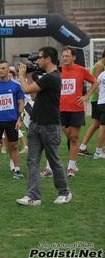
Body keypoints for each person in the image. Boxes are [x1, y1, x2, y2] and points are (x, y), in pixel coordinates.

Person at [16, 46, 71, 206]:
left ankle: (65, 192)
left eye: (39, 57)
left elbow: (25, 90)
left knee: (53, 160)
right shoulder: (47, 77)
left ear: (48, 59)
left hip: (50, 126)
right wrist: (29, 76)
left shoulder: (52, 77)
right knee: (32, 161)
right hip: (36, 124)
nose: (37, 60)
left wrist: (21, 75)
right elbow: (33, 94)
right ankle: (33, 196)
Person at [40, 46, 99, 177]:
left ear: (74, 57)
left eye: (67, 56)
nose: (65, 58)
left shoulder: (81, 70)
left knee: (74, 138)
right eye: (63, 56)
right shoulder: (57, 71)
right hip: (59, 110)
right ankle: (49, 167)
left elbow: (95, 81)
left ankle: (71, 167)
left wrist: (87, 95)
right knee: (54, 138)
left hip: (76, 109)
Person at [0, 60, 25, 180]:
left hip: (12, 120)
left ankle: (17, 169)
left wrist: (20, 120)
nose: (1, 71)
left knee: (14, 145)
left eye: (3, 68)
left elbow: (21, 103)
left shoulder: (16, 85)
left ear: (8, 70)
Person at [79, 49, 105, 156]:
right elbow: (97, 83)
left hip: (99, 99)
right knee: (98, 124)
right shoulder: (100, 66)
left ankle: (82, 147)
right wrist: (99, 97)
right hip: (97, 98)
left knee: (96, 124)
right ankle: (96, 150)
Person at [93, 70, 105, 158]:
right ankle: (98, 152)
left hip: (100, 102)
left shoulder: (101, 74)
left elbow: (97, 89)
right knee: (103, 128)